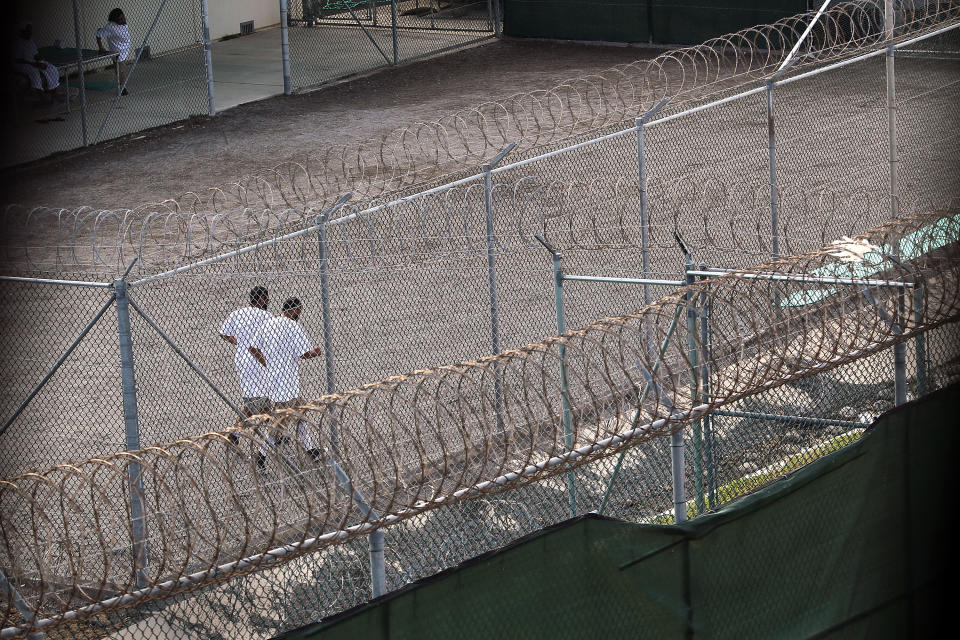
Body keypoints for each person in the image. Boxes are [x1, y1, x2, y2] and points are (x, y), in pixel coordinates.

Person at [249, 297, 324, 472]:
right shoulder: (293, 326)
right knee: (279, 424)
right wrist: (317, 352)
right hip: (287, 384)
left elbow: (253, 348)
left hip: (275, 380)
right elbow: (305, 353)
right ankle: (261, 456)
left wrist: (267, 364)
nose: (299, 315)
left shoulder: (268, 324)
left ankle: (310, 450)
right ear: (294, 310)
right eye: (299, 311)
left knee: (301, 413)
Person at [219, 286, 273, 445]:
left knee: (261, 399)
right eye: (267, 298)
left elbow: (223, 333)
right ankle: (235, 432)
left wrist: (237, 342)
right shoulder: (267, 316)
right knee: (256, 401)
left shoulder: (237, 313)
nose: (268, 301)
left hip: (242, 360)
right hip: (258, 361)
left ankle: (276, 432)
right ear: (262, 299)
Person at [12, 21, 62, 103]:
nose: (30, 33)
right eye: (28, 30)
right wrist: (34, 64)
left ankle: (54, 91)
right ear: (22, 31)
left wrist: (41, 60)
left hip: (33, 62)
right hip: (22, 64)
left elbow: (35, 55)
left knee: (51, 68)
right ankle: (42, 97)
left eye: (30, 30)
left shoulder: (30, 41)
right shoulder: (17, 43)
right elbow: (17, 59)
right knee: (34, 72)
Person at [96, 8, 131, 95]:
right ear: (114, 20)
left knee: (121, 70)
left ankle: (122, 86)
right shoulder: (111, 27)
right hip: (117, 53)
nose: (123, 20)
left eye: (123, 17)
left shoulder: (123, 23)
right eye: (120, 19)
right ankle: (123, 88)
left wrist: (101, 30)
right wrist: (101, 48)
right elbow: (98, 35)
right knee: (120, 71)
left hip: (125, 50)